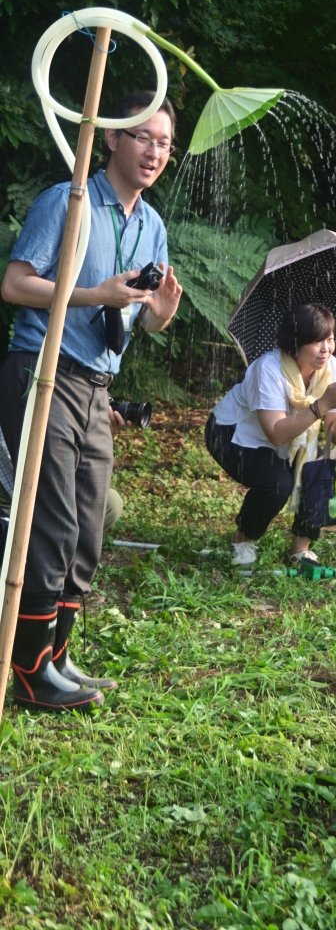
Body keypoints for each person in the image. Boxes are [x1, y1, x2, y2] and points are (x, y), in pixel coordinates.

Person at [0, 91, 182, 711]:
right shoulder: (68, 200)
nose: (154, 151)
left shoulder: (152, 226)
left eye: (164, 142)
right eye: (143, 137)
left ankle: (57, 656)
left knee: (89, 522)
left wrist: (160, 313)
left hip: (98, 386)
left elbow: (140, 318)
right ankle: (28, 672)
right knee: (52, 524)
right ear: (112, 138)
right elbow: (15, 285)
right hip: (44, 371)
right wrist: (94, 294)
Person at [205, 303, 336, 569]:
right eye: (316, 341)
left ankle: (300, 550)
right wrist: (321, 405)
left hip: (289, 440)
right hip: (231, 433)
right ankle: (243, 540)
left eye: (330, 339)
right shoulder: (268, 368)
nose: (326, 349)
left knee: (318, 473)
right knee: (277, 482)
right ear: (295, 343)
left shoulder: (334, 370)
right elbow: (276, 433)